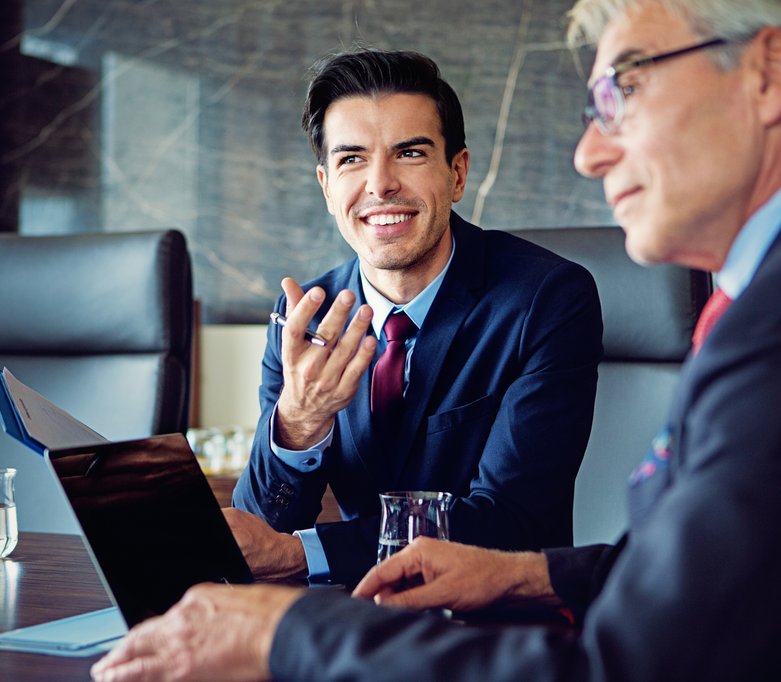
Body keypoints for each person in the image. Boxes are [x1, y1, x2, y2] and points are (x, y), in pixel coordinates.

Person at [92, 0, 781, 680]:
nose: (586, 152)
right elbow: (717, 577)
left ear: (769, 75)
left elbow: (639, 661)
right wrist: (530, 573)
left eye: (624, 91)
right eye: (351, 160)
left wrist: (293, 636)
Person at [226, 49, 603, 587]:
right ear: (327, 185)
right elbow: (259, 535)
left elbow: (512, 520)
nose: (380, 184)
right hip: (353, 627)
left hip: (499, 628)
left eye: (409, 153)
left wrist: (302, 555)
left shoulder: (545, 299)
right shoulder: (304, 317)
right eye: (351, 159)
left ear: (457, 173)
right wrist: (298, 421)